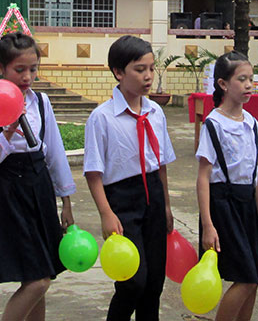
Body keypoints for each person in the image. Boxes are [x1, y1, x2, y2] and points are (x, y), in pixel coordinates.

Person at [0, 32, 75, 321]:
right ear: (2, 67)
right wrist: (5, 134)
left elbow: (54, 151)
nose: (27, 77)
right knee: (37, 279)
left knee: (42, 276)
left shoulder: (41, 102)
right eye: (20, 70)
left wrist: (65, 200)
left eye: (33, 69)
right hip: (9, 191)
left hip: (39, 186)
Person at [84, 35, 175, 321]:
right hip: (122, 202)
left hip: (154, 198)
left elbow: (161, 165)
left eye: (150, 68)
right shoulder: (102, 118)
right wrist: (106, 214)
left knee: (154, 283)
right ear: (119, 73)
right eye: (139, 69)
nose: (148, 76)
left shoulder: (155, 112)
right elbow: (93, 172)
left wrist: (167, 206)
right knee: (132, 280)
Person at [196, 52, 258, 321]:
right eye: (242, 79)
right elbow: (203, 177)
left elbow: (255, 175)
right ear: (223, 84)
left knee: (255, 277)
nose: (249, 85)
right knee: (246, 278)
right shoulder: (214, 124)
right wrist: (208, 224)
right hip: (223, 204)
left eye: (251, 79)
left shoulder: (251, 123)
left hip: (247, 203)